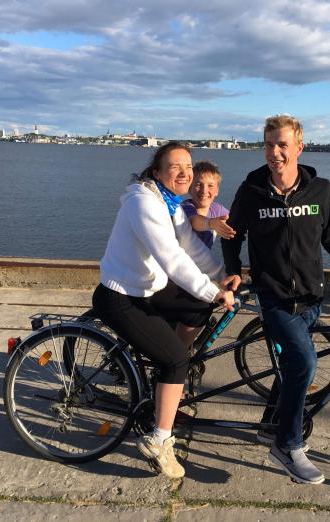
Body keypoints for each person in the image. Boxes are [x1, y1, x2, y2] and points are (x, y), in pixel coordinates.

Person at [222, 115, 330, 485]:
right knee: (305, 364)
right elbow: (231, 234)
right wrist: (233, 269)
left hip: (311, 296)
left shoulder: (320, 190)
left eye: (282, 145)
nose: (275, 152)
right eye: (269, 144)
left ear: (299, 147)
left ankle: (269, 425)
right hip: (273, 296)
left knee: (291, 366)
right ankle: (287, 444)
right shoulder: (251, 191)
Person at [92, 142, 240, 479]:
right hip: (121, 295)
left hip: (148, 288)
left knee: (197, 306)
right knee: (176, 360)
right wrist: (213, 292)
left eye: (188, 166)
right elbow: (172, 258)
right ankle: (159, 439)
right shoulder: (144, 202)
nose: (186, 173)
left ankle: (164, 379)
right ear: (157, 172)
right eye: (176, 167)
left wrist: (219, 278)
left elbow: (189, 247)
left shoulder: (170, 202)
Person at [181, 160, 235, 248]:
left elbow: (235, 221)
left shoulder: (217, 210)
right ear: (189, 188)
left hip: (202, 259)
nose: (204, 191)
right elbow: (194, 221)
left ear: (217, 191)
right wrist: (211, 223)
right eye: (199, 185)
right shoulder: (185, 208)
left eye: (210, 186)